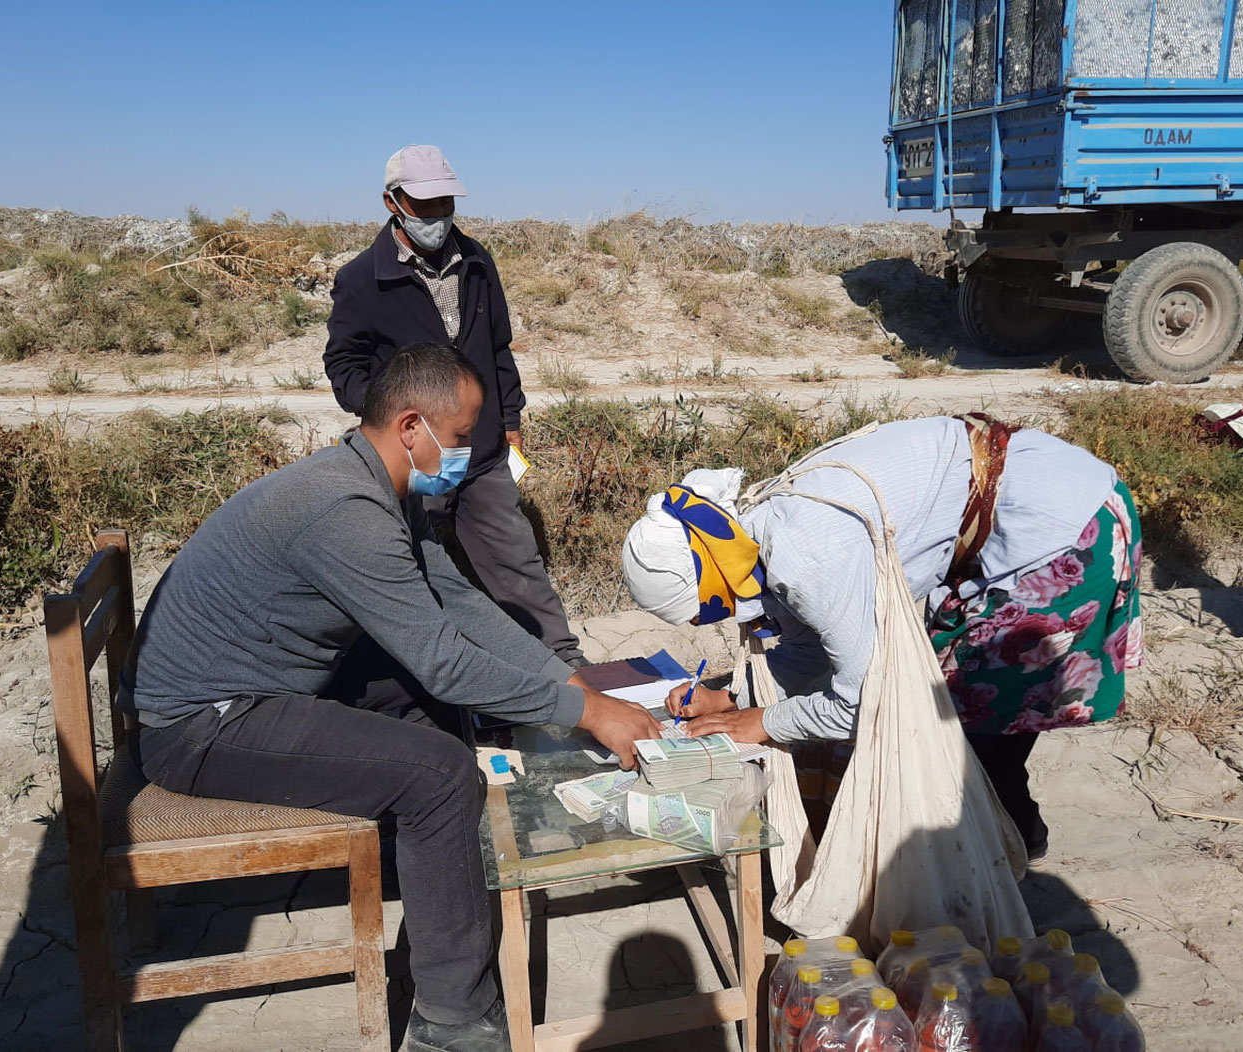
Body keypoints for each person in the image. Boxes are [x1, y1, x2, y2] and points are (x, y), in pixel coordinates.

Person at [119, 343, 662, 1052]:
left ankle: (446, 892)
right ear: (413, 426)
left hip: (257, 685)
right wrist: (588, 713)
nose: (467, 452)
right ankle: (452, 1020)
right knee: (438, 774)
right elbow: (444, 661)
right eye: (462, 436)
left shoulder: (373, 484)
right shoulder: (346, 513)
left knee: (434, 717)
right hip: (202, 725)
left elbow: (455, 600)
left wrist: (567, 681)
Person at [620, 416, 1143, 861]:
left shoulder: (807, 557)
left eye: (698, 615)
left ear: (711, 585)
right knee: (955, 710)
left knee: (963, 719)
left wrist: (763, 721)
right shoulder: (756, 530)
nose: (703, 625)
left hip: (1064, 527)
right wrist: (736, 697)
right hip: (1022, 505)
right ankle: (998, 837)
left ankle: (1008, 850)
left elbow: (863, 700)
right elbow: (812, 645)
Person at [324, 143, 587, 667]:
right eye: (425, 205)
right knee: (405, 568)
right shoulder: (361, 280)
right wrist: (387, 419)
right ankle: (422, 674)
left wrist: (509, 421)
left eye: (446, 202)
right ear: (391, 202)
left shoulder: (477, 261)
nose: (438, 216)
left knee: (519, 567)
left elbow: (497, 348)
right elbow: (344, 366)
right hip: (412, 458)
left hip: (483, 450)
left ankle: (561, 667)